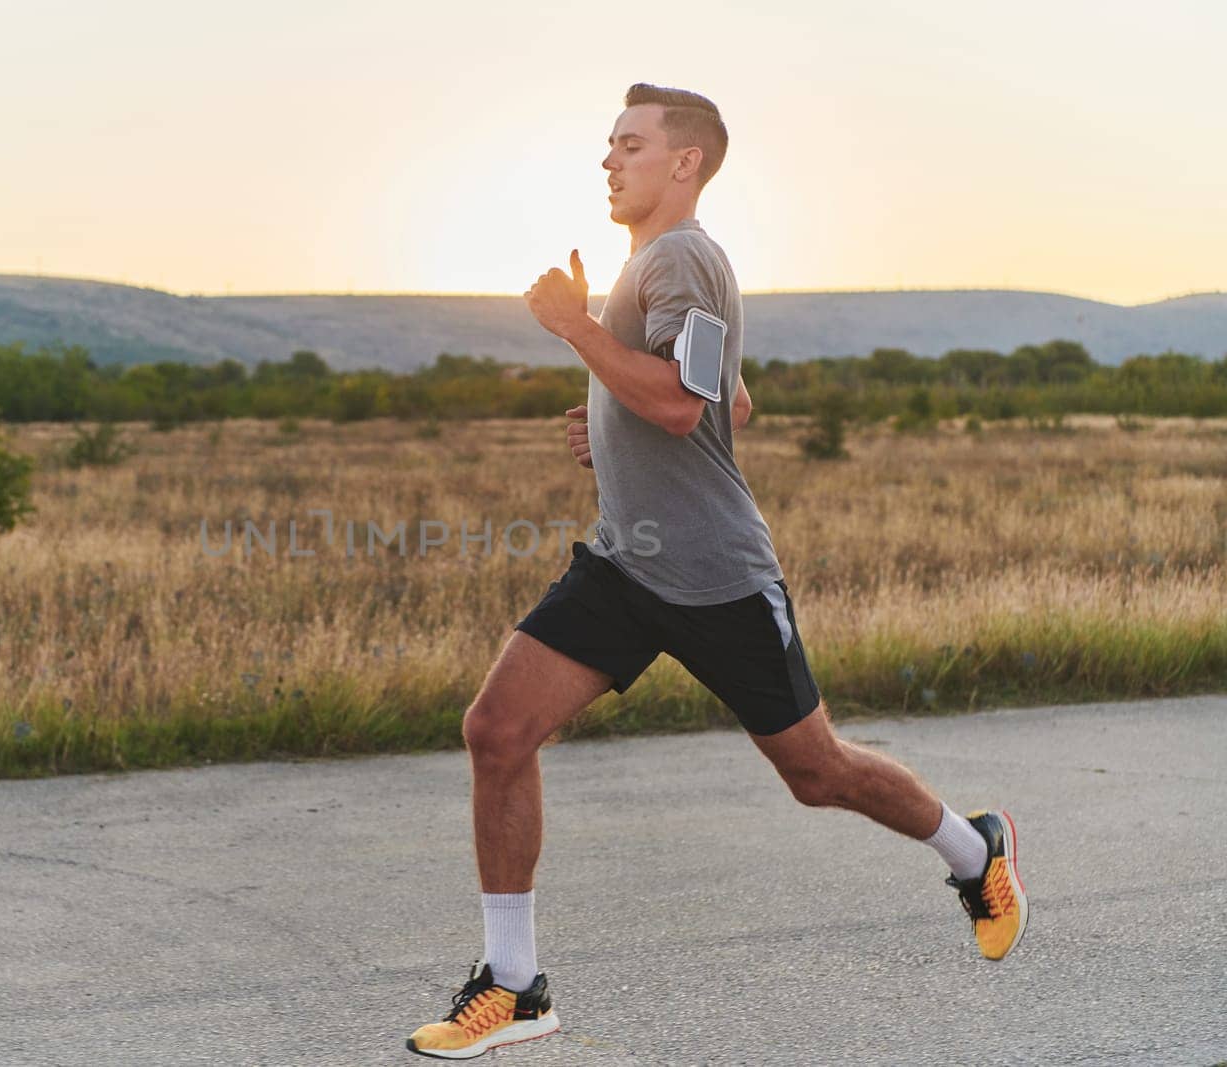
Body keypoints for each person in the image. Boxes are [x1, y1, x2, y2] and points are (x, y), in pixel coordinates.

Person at [405, 83, 1028, 1060]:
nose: (608, 161)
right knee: (497, 728)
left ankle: (972, 846)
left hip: (717, 576)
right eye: (606, 145)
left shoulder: (686, 255)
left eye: (629, 145)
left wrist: (576, 333)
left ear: (683, 162)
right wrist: (610, 422)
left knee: (818, 772)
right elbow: (732, 397)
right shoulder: (645, 265)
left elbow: (684, 407)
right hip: (627, 563)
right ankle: (515, 986)